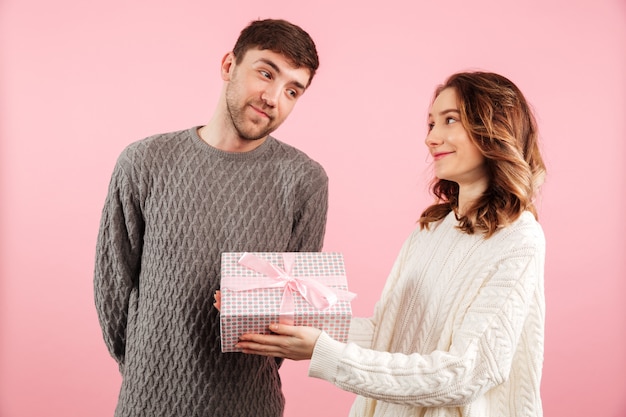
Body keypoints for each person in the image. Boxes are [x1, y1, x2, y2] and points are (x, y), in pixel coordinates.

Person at [235, 71, 547, 417]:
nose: (432, 138)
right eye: (430, 125)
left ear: (494, 129)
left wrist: (327, 352)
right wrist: (272, 314)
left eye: (450, 120)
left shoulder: (519, 239)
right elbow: (385, 334)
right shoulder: (432, 228)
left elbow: (469, 372)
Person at [94, 19, 328, 417]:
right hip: (147, 403)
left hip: (250, 403)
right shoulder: (145, 162)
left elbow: (291, 313)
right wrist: (145, 371)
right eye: (266, 72)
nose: (274, 97)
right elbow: (112, 285)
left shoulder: (306, 181)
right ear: (228, 66)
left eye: (292, 90)